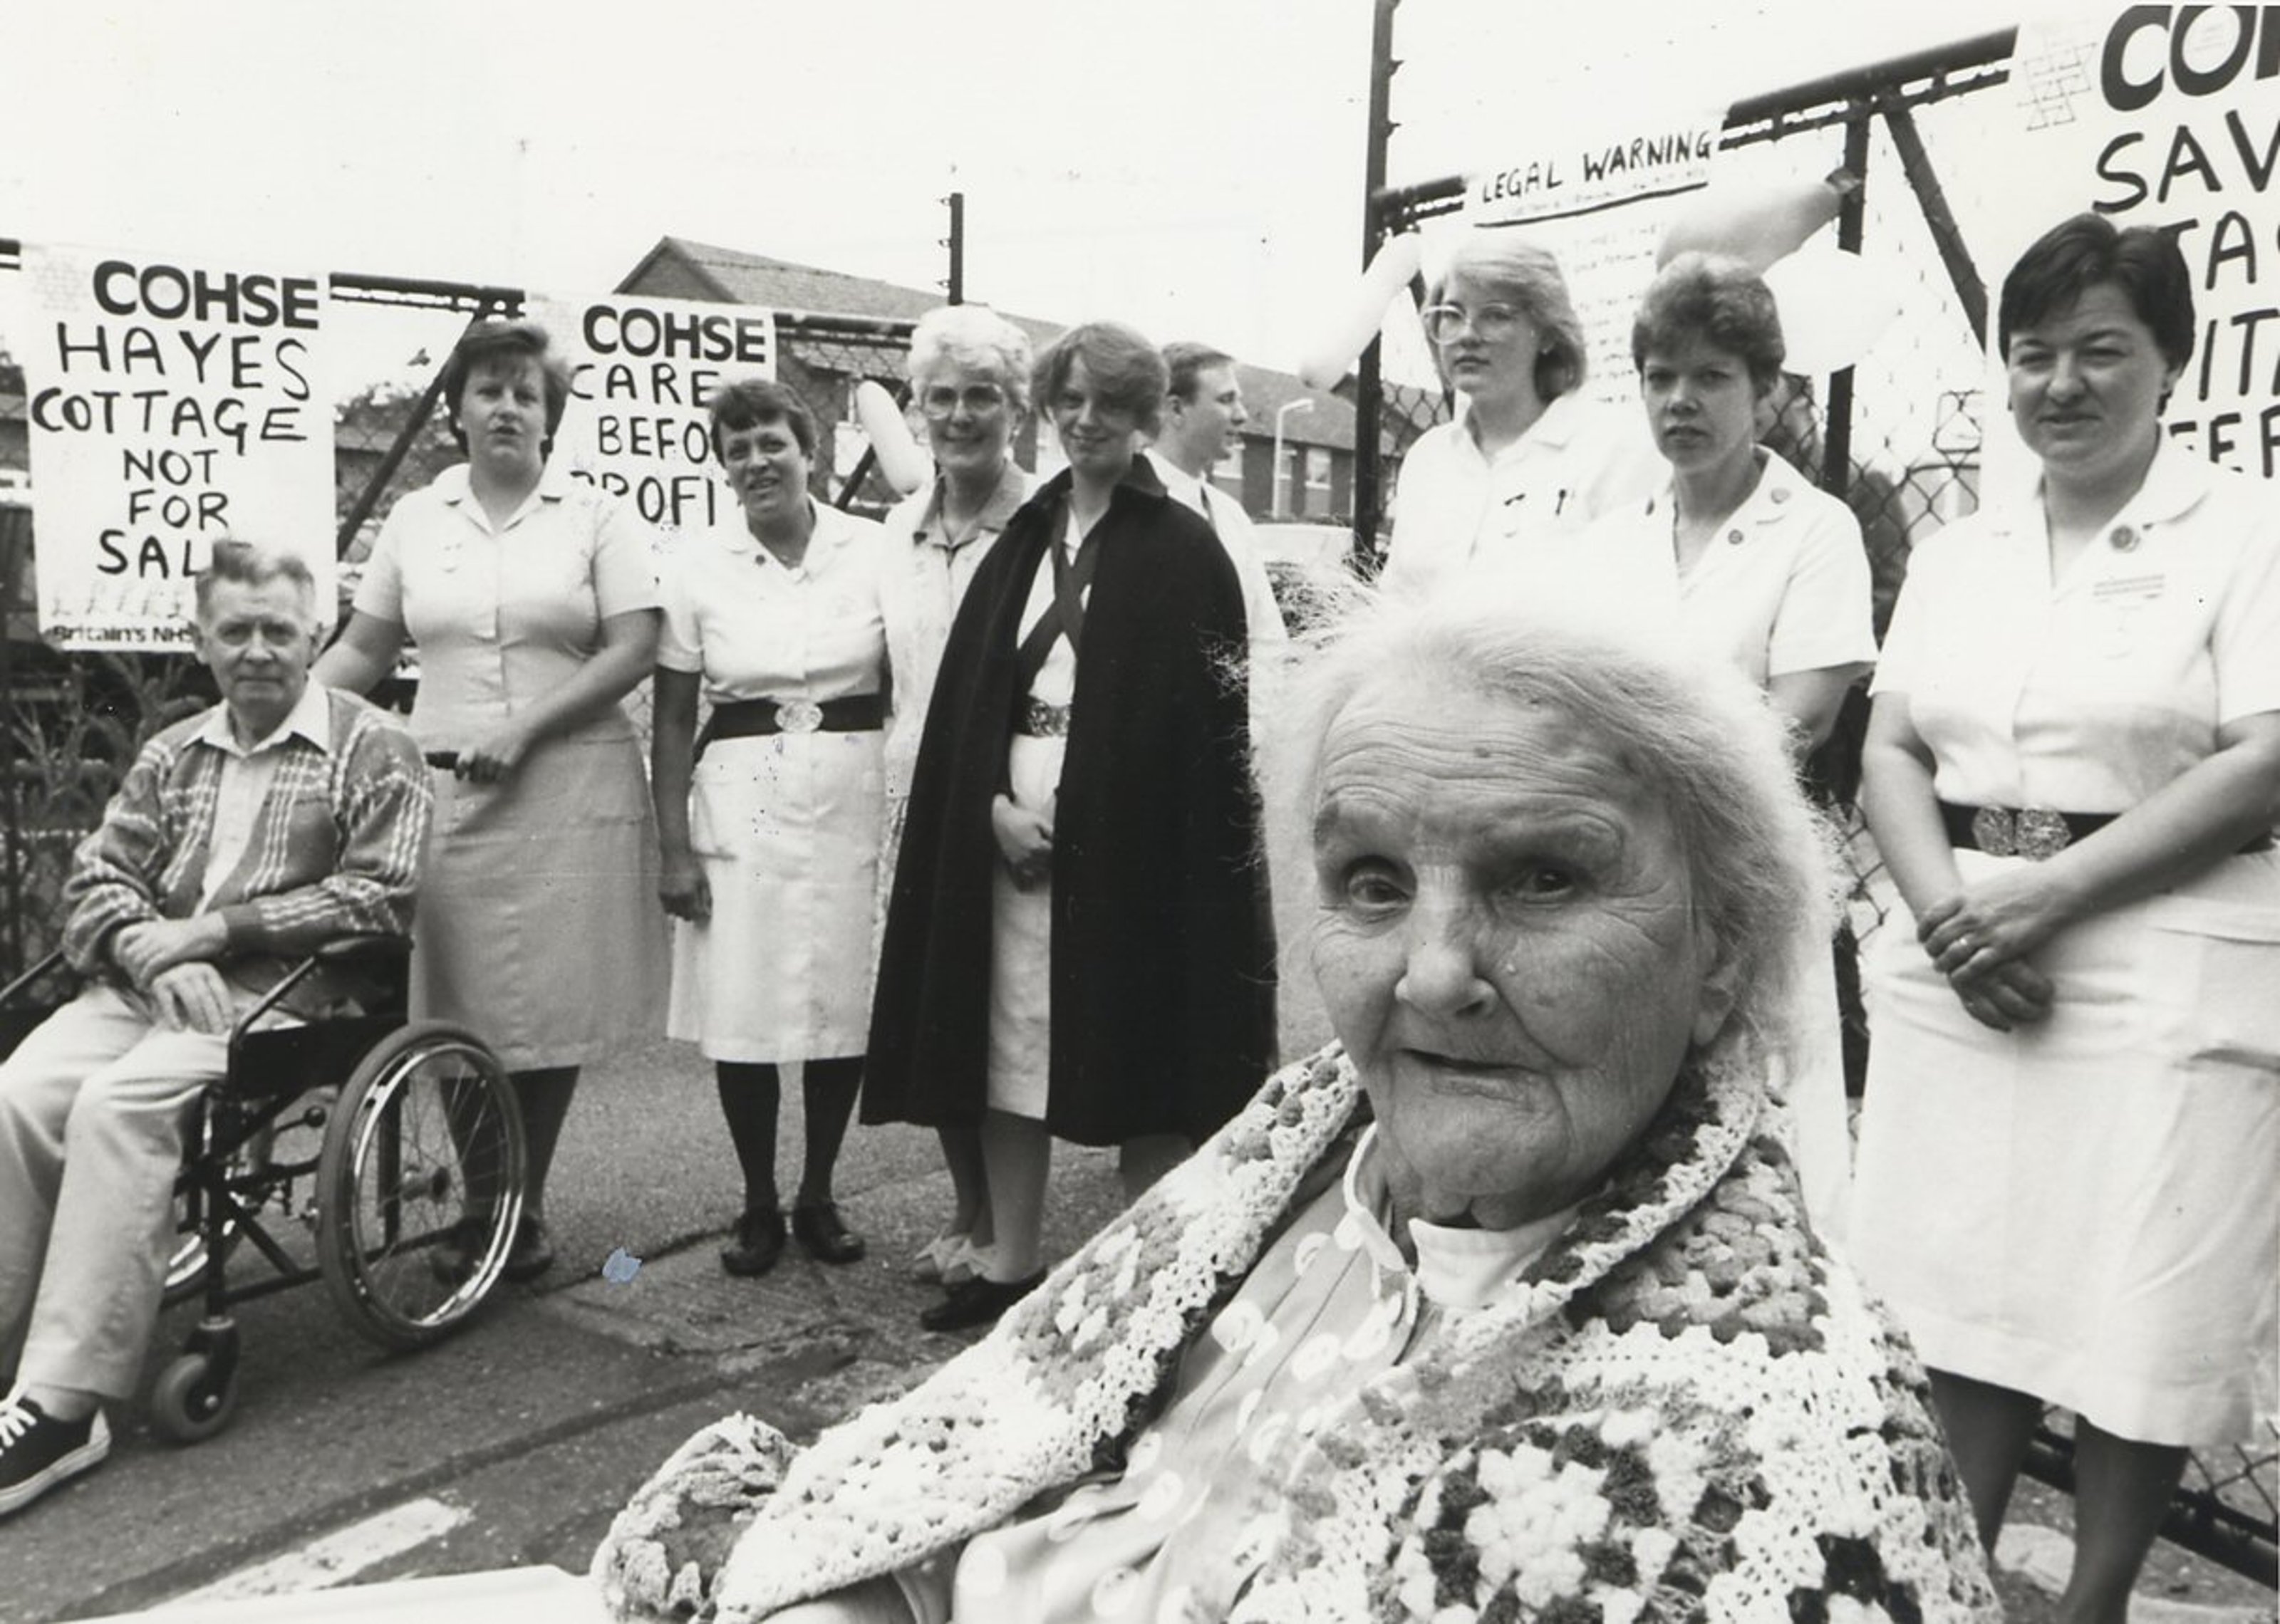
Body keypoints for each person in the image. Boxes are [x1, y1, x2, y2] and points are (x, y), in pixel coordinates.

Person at [595, 597, 1998, 1624]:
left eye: (1544, 882)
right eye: (1374, 883)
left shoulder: (1810, 1445)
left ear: (1726, 960)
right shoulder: (1302, 1144)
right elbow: (990, 1457)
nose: (1433, 975)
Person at [1850, 213, 2280, 1622]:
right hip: (1961, 951)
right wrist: (1944, 914)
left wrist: (2046, 899)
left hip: (2156, 949)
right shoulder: (1966, 548)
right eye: (2032, 355)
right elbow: (1889, 748)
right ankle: (1947, 1582)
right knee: (1956, 1290)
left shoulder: (2246, 529)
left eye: (2101, 350)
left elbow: (2263, 755)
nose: (2061, 384)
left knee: (2134, 1305)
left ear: (2171, 362)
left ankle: (2090, 1605)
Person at [0, 542, 431, 1516]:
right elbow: (96, 877)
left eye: (279, 629)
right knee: (17, 1093)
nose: (258, 650)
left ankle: (66, 1408)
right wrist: (157, 947)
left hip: (288, 993)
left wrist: (220, 930)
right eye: (234, 630)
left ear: (315, 633)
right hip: (155, 983)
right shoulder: (174, 751)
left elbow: (384, 895)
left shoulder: (373, 747)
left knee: (119, 1106)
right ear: (202, 642)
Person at [863, 321, 1277, 1333]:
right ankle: (1011, 1259)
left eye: (1109, 404)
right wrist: (991, 810)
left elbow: (1197, 729)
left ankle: (1154, 1273)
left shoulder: (1184, 546)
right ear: (1048, 412)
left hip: (1135, 849)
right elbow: (970, 704)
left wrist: (1091, 820)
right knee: (1008, 1043)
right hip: (1011, 827)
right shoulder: (1024, 537)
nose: (1086, 421)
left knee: (1144, 1055)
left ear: (1145, 417)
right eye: (1070, 403)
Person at [314, 318, 665, 1282]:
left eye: (526, 392)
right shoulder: (418, 519)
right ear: (458, 412)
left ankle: (515, 1209)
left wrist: (525, 728)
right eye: (489, 390)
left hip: (568, 786)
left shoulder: (594, 515)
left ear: (550, 416)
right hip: (447, 787)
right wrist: (292, 712)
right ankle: (487, 1197)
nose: (507, 406)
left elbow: (634, 644)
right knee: (462, 997)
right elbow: (366, 648)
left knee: (544, 1007)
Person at [1590, 252, 1876, 1242]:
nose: (1681, 400)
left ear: (1767, 395)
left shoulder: (1817, 530)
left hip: (1743, 875)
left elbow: (1802, 720)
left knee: (1769, 1156)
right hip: (1616, 879)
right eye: (1661, 377)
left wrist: (1631, 764)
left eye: (1712, 377)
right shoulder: (1609, 539)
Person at [653, 380, 888, 1277]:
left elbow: (900, 683)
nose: (756, 461)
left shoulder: (872, 551)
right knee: (744, 1010)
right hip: (740, 799)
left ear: (810, 452)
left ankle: (818, 1193)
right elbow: (673, 717)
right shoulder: (694, 564)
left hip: (851, 793)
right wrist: (673, 848)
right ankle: (756, 1201)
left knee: (840, 1005)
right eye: (737, 447)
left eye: (772, 443)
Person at [876, 307, 1036, 1290]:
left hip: (1007, 798)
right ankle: (969, 1213)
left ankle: (1007, 1237)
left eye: (984, 395)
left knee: (1007, 1019)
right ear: (916, 407)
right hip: (912, 795)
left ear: (1018, 409)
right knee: (935, 1009)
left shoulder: (1047, 521)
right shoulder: (896, 532)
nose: (961, 414)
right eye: (942, 396)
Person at [1377, 231, 1662, 596]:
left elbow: (1636, 609)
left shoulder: (1618, 448)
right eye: (1452, 314)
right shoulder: (1427, 459)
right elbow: (1397, 606)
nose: (1468, 335)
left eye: (1495, 315)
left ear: (1546, 334)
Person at [1143, 341, 1289, 652]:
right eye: (1226, 400)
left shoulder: (1231, 515)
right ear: (1176, 409)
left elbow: (1266, 637)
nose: (1242, 416)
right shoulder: (1127, 505)